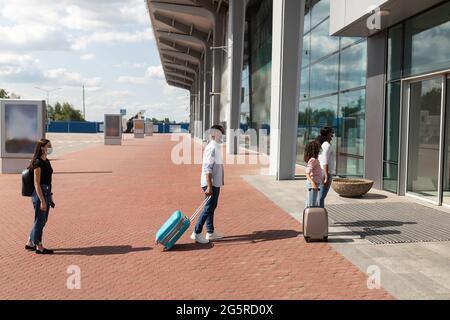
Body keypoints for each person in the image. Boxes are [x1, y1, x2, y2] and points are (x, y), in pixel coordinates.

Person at [191, 125, 225, 244]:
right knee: (208, 207)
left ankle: (210, 232)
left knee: (212, 206)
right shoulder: (212, 148)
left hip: (215, 183)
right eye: (221, 134)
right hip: (210, 184)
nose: (222, 136)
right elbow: (207, 168)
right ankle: (196, 232)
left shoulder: (216, 147)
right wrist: (210, 186)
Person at [25, 139, 55, 254]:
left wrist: (51, 196)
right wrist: (42, 200)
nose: (50, 147)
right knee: (40, 220)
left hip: (47, 192)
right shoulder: (37, 162)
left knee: (42, 220)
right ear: (42, 148)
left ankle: (30, 242)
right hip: (40, 193)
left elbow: (49, 180)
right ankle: (39, 245)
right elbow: (36, 184)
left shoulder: (46, 161)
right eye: (48, 145)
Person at [316, 127, 335, 208]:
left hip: (322, 171)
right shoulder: (326, 145)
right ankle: (319, 215)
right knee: (321, 197)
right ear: (328, 134)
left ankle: (319, 215)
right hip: (325, 172)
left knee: (320, 197)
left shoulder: (322, 144)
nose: (332, 135)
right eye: (331, 133)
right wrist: (326, 176)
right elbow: (324, 161)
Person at [304, 140, 323, 208]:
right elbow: (307, 172)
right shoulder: (313, 160)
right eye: (318, 149)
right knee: (311, 204)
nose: (319, 151)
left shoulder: (315, 160)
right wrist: (312, 183)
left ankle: (308, 217)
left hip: (315, 184)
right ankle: (308, 218)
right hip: (313, 185)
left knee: (312, 203)